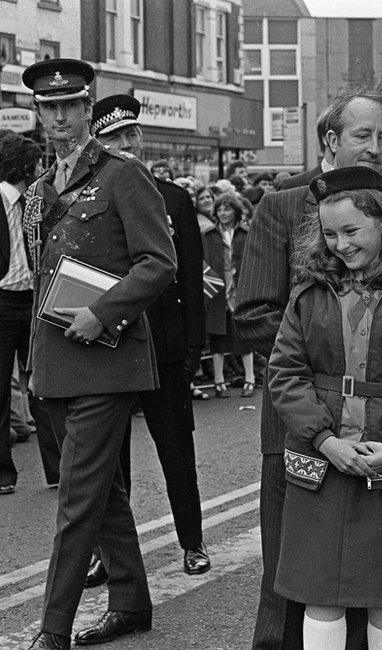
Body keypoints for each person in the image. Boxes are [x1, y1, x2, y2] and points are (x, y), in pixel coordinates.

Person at [235, 78, 382, 650]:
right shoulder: (279, 206)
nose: (376, 146)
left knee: (377, 582)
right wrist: (320, 390)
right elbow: (252, 312)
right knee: (292, 576)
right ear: (329, 138)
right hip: (299, 425)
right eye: (362, 134)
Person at [268, 165, 382, 650]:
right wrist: (324, 439)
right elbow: (286, 373)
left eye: (351, 231)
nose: (340, 244)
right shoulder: (309, 292)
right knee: (320, 595)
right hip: (320, 462)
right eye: (330, 233)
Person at [21, 58, 176, 649]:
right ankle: (132, 603)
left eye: (70, 106)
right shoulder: (42, 187)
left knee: (77, 501)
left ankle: (52, 630)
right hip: (57, 364)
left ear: (89, 110)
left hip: (107, 361)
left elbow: (158, 262)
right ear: (38, 113)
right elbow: (41, 280)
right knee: (104, 492)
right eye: (48, 107)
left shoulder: (121, 175)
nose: (59, 117)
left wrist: (103, 310)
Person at [89, 93, 211, 581]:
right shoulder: (90, 200)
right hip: (111, 343)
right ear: (98, 144)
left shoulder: (174, 198)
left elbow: (190, 281)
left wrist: (194, 347)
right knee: (110, 466)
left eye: (132, 133)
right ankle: (110, 557)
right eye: (116, 137)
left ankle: (192, 542)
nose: (129, 143)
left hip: (164, 345)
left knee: (177, 450)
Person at [0, 131, 45, 494]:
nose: (43, 167)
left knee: (43, 383)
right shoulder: (2, 198)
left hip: (33, 301)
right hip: (2, 303)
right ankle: (3, 473)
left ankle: (59, 468)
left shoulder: (35, 202)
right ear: (26, 166)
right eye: (39, 163)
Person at [203, 193, 255, 399]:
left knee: (243, 336)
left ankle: (249, 379)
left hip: (240, 289)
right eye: (220, 209)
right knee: (217, 337)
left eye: (228, 209)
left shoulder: (246, 233)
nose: (223, 213)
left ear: (236, 211)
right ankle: (218, 380)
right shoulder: (208, 235)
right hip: (216, 291)